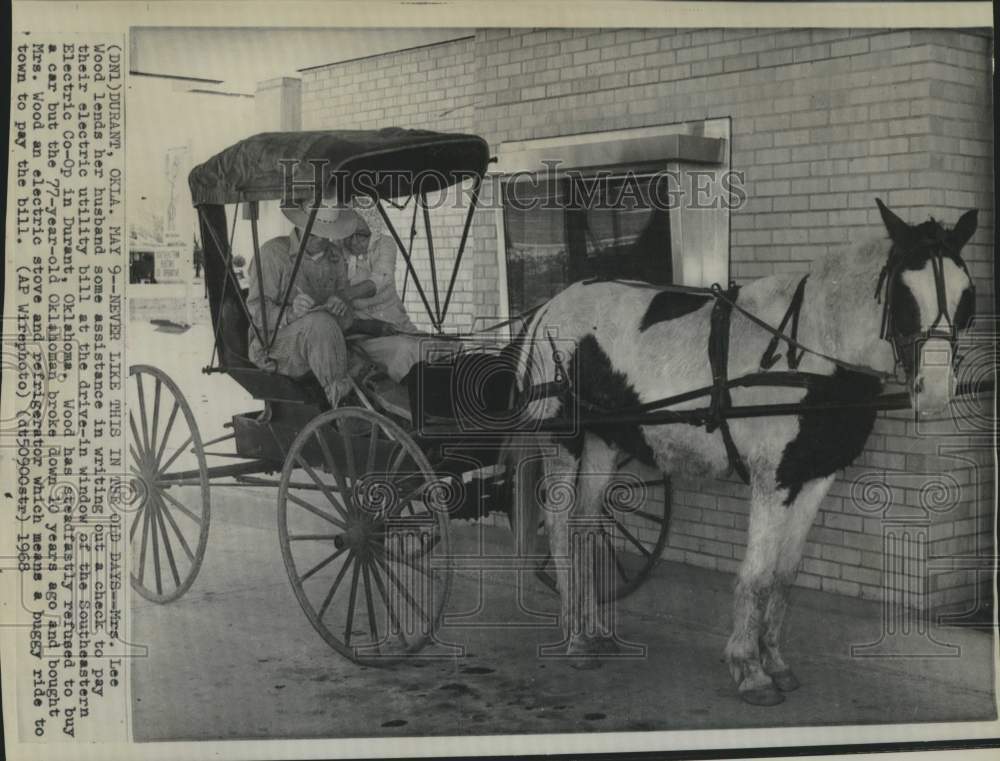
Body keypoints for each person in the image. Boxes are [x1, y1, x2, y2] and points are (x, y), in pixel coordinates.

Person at [246, 201, 387, 408]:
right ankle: (342, 402)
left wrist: (341, 306)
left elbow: (345, 315)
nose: (321, 239)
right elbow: (257, 312)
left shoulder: (335, 256)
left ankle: (379, 409)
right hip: (273, 344)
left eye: (325, 233)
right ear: (299, 224)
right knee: (320, 324)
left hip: (323, 342)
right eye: (313, 233)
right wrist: (291, 313)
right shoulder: (272, 254)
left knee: (366, 359)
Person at [342, 200, 425, 384]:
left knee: (441, 347)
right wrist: (368, 326)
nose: (354, 242)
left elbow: (380, 280)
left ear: (373, 231)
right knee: (407, 350)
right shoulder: (337, 253)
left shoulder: (385, 244)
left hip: (398, 325)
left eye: (361, 235)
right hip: (363, 336)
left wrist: (344, 295)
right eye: (348, 234)